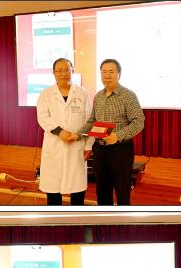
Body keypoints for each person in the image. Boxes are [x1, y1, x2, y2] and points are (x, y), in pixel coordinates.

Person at [75, 59, 145, 205]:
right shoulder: (98, 96)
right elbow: (92, 121)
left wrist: (117, 136)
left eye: (111, 72)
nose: (107, 75)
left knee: (122, 191)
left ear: (119, 74)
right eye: (104, 72)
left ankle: (122, 218)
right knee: (102, 191)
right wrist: (77, 134)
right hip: (100, 150)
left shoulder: (128, 95)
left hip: (121, 150)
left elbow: (138, 122)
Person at [37, 58, 92, 205]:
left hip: (77, 145)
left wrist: (89, 145)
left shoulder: (82, 93)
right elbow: (43, 117)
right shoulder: (46, 94)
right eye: (59, 70)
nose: (63, 73)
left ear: (72, 71)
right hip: (54, 145)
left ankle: (76, 215)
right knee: (53, 187)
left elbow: (90, 120)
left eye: (67, 70)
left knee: (77, 187)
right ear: (54, 73)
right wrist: (59, 132)